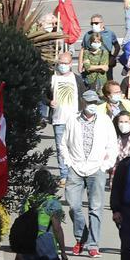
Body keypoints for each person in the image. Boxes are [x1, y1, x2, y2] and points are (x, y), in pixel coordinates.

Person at [60, 91, 118, 258]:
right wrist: (68, 162)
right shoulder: (73, 119)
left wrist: (105, 165)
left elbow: (112, 145)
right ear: (83, 102)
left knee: (95, 208)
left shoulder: (105, 120)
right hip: (76, 168)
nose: (92, 105)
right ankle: (81, 236)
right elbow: (63, 143)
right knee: (73, 205)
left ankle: (93, 244)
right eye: (89, 102)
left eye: (95, 102)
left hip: (96, 169)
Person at [49, 53, 86, 185]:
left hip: (75, 119)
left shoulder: (76, 79)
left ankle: (76, 172)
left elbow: (83, 96)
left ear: (71, 64)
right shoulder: (52, 78)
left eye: (65, 63)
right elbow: (43, 95)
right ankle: (64, 174)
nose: (63, 66)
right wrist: (49, 101)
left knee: (75, 146)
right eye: (61, 63)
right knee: (61, 148)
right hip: (59, 119)